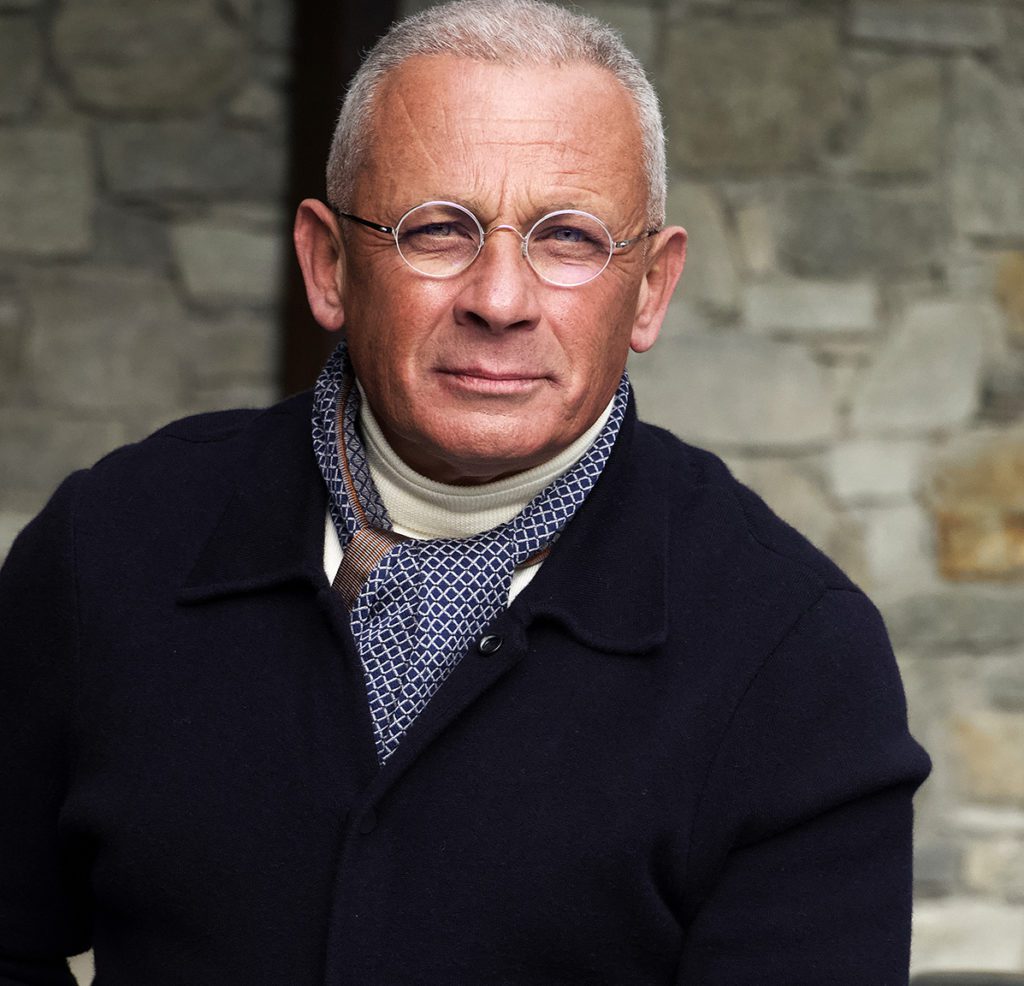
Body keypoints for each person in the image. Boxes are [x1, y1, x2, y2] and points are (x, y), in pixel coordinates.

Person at [0, 1, 930, 983]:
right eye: (437, 229)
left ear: (651, 288)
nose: (499, 299)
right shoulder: (108, 544)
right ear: (328, 264)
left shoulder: (796, 656)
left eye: (569, 238)